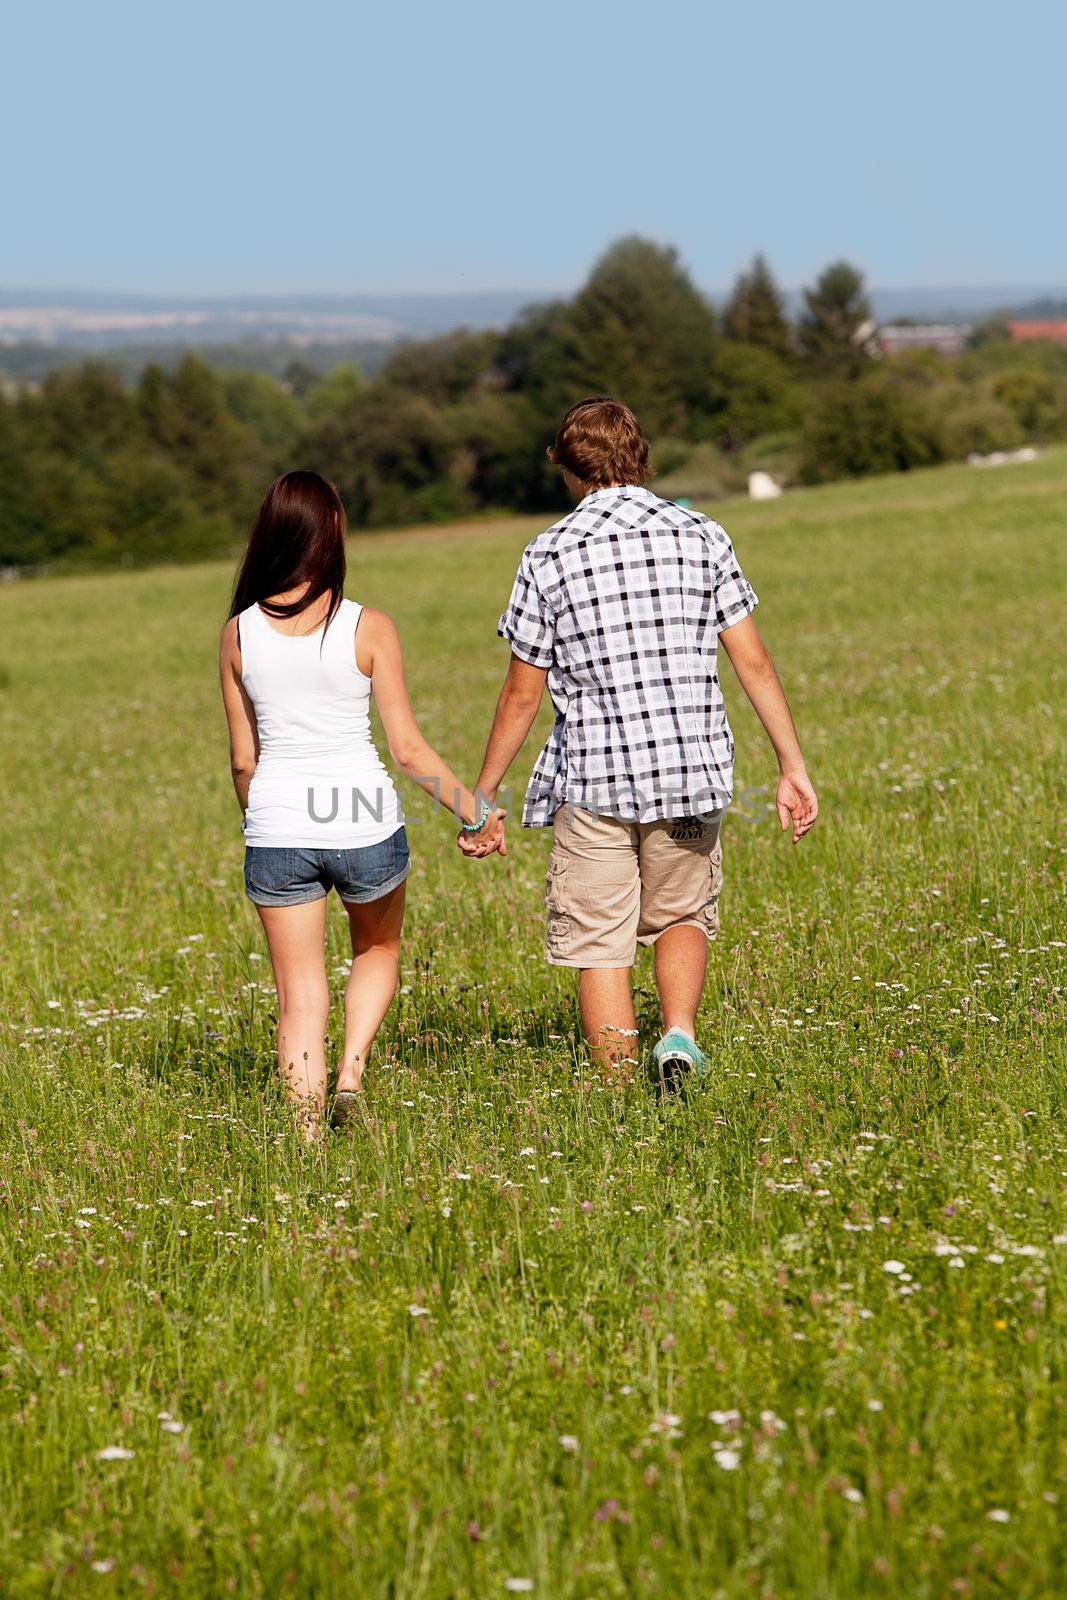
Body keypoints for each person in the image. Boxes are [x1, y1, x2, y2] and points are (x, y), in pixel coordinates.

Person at [459, 397, 817, 1086]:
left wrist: (483, 791)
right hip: (691, 767)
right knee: (681, 909)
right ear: (639, 455)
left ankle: (620, 1087)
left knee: (599, 937)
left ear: (567, 468)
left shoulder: (548, 553)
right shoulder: (700, 533)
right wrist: (790, 765)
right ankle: (677, 1035)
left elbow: (521, 692)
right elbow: (752, 660)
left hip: (595, 778)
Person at [221, 471, 502, 1140]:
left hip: (278, 829)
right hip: (363, 822)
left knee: (299, 996)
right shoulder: (367, 625)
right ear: (332, 534)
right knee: (376, 949)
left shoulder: (238, 632)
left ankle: (307, 1144)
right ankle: (349, 1074)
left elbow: (243, 759)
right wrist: (474, 812)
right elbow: (406, 749)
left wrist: (259, 822)